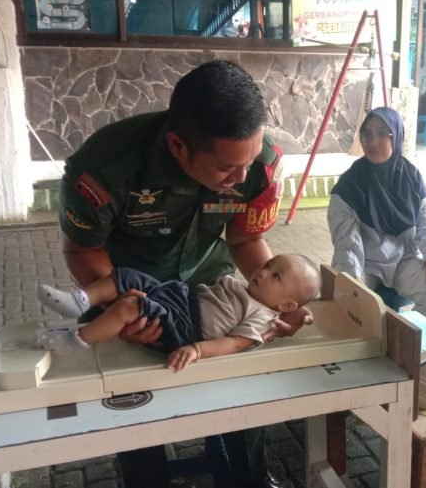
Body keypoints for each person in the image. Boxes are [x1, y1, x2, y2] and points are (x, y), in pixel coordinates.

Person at [58, 60, 308, 488]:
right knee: (135, 402)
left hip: (212, 289)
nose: (241, 177)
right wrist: (122, 311)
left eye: (249, 161)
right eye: (227, 169)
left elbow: (246, 239)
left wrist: (277, 305)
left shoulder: (261, 164)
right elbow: (82, 248)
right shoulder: (105, 168)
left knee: (243, 385)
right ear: (178, 146)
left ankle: (249, 478)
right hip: (131, 288)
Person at [36, 254, 321, 370]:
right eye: (269, 265)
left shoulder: (263, 317)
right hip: (183, 299)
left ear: (286, 305)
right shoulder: (246, 290)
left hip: (187, 329)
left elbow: (234, 344)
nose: (263, 272)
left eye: (276, 276)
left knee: (131, 306)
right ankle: (79, 301)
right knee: (128, 277)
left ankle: (76, 341)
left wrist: (196, 350)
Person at [327, 107, 426, 323]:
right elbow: (347, 245)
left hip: (402, 260)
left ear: (396, 136)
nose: (373, 142)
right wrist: (353, 280)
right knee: (346, 299)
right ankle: (375, 338)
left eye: (382, 133)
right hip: (364, 263)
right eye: (367, 134)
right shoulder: (349, 187)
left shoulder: (413, 179)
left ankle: (409, 334)